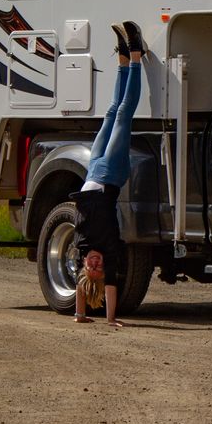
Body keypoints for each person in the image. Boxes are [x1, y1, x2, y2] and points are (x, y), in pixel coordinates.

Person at [71, 20, 145, 327]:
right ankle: (137, 54)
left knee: (112, 111)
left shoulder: (82, 248)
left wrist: (80, 315)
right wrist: (111, 318)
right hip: (111, 175)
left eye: (91, 267)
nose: (95, 263)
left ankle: (123, 59)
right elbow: (110, 287)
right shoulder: (111, 253)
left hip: (92, 172)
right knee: (125, 113)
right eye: (99, 268)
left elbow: (80, 288)